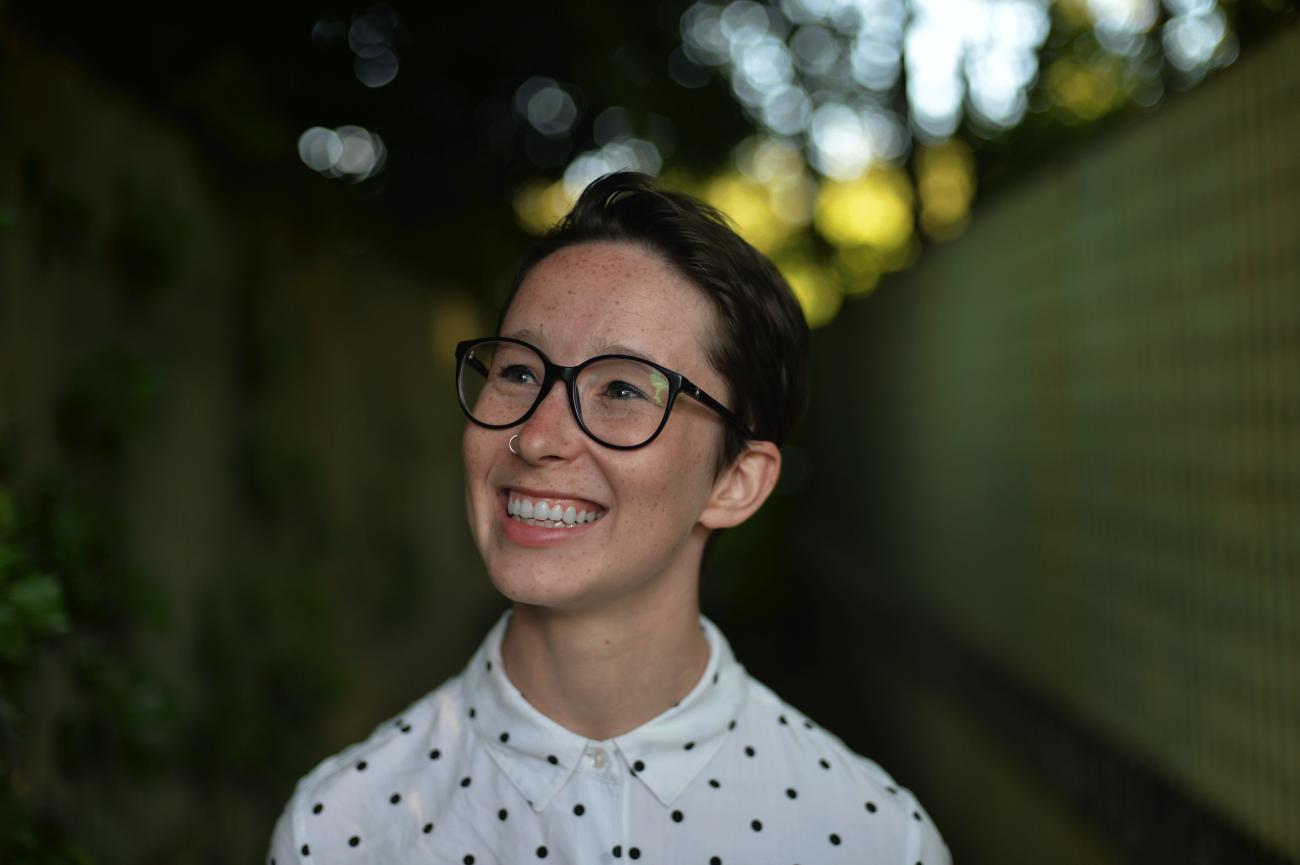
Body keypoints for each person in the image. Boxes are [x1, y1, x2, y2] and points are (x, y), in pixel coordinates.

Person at [267, 172, 950, 865]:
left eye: (622, 387)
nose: (537, 437)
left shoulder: (874, 840)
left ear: (736, 482)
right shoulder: (338, 829)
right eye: (519, 373)